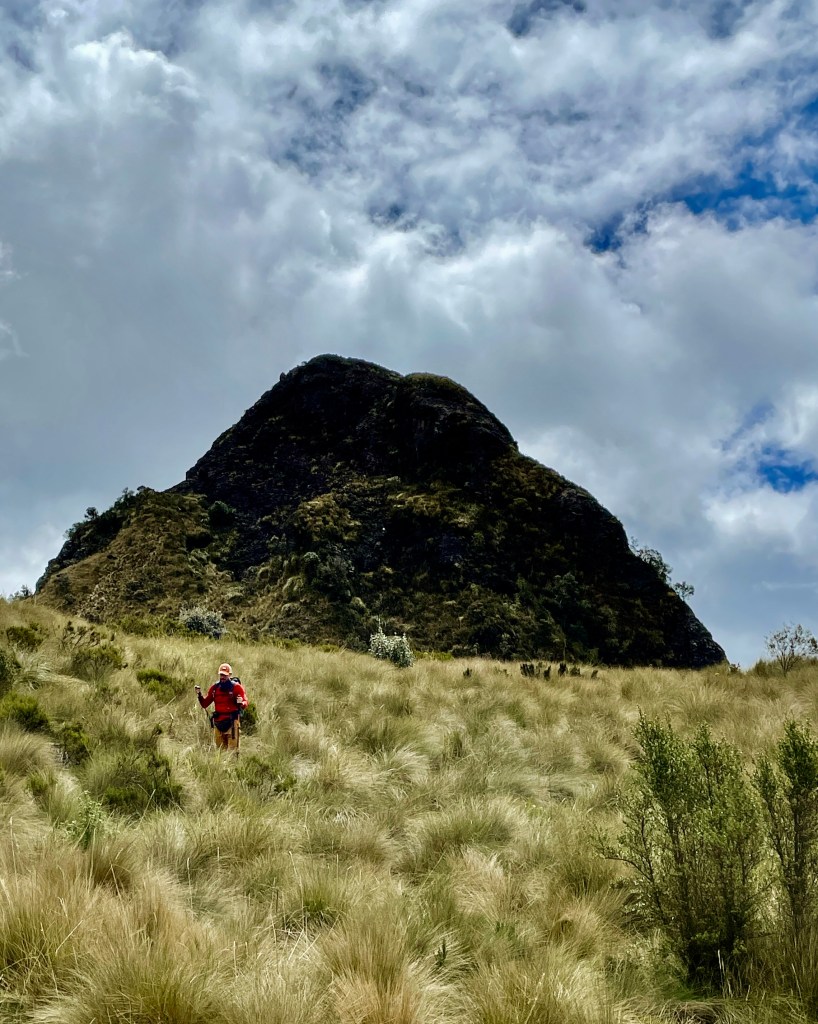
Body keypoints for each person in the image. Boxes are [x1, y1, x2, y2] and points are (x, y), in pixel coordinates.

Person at [195, 663, 247, 754]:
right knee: (220, 752)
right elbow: (205, 704)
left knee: (232, 752)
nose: (222, 677)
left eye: (225, 675)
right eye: (221, 674)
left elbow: (245, 702)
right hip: (218, 723)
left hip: (232, 723)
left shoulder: (236, 687)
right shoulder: (215, 688)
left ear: (230, 675)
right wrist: (199, 695)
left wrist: (241, 703)